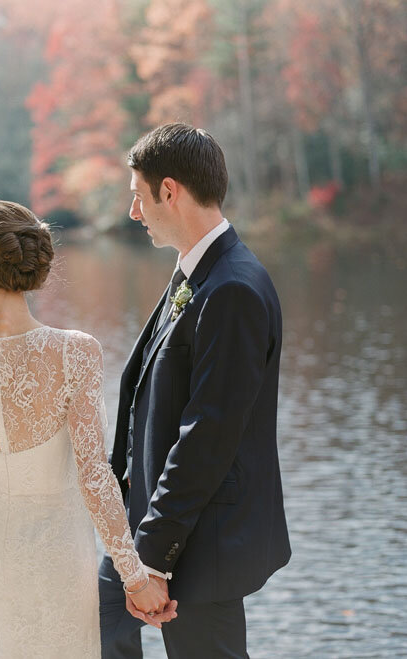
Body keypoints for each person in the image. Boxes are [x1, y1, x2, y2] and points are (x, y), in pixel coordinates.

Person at [0, 200, 176, 658]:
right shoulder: (73, 352)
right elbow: (95, 478)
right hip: (61, 551)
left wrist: (1, 488)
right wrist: (135, 579)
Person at [99, 123, 291, 658]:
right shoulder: (195, 272)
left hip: (200, 539)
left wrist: (155, 557)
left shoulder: (231, 288)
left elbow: (209, 432)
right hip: (151, 522)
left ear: (169, 191)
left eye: (138, 196)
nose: (133, 212)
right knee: (99, 627)